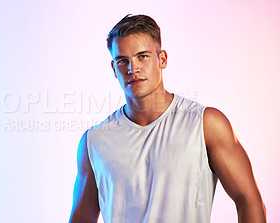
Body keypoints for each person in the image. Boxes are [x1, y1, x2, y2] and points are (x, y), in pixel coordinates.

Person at [68, 14, 266, 223]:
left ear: (162, 59)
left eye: (142, 56)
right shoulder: (95, 141)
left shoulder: (205, 124)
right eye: (122, 60)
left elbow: (249, 200)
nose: (132, 68)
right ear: (114, 69)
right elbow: (81, 218)